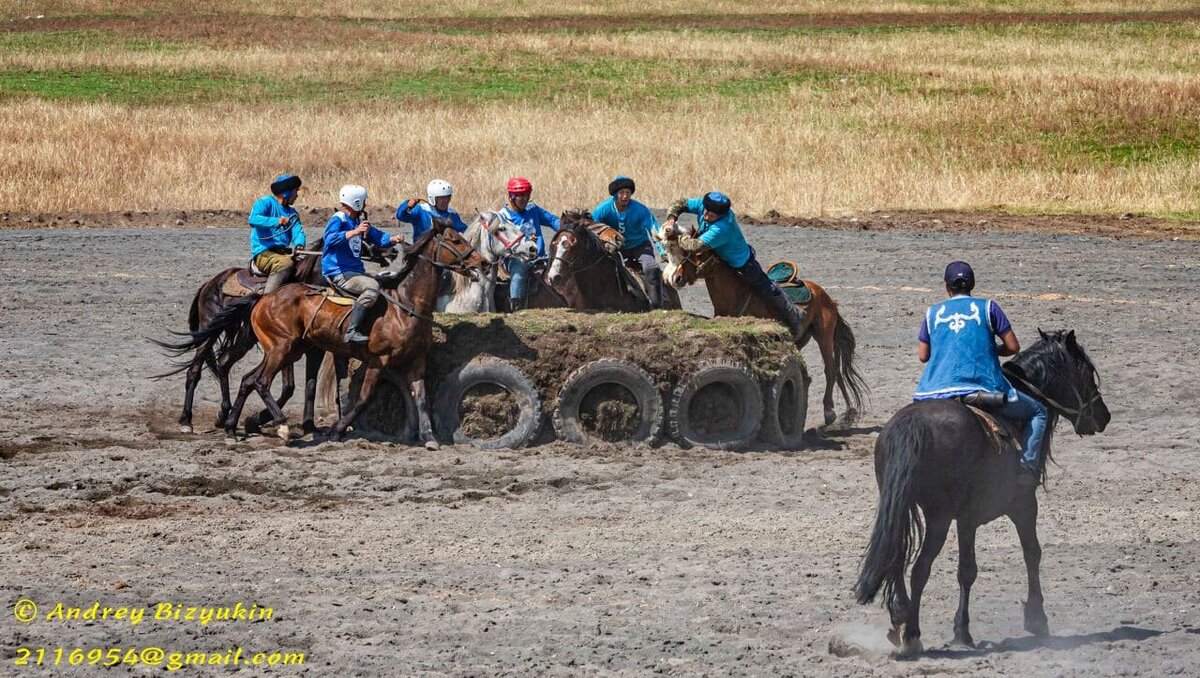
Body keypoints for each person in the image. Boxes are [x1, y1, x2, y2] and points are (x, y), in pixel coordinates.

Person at [914, 261, 1049, 487]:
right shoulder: (988, 308)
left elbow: (923, 355)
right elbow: (1013, 347)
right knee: (1039, 412)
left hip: (933, 391)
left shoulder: (932, 313)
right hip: (981, 389)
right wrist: (990, 349)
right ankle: (1027, 468)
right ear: (973, 285)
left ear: (946, 287)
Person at [663, 191, 805, 337]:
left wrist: (678, 237)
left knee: (766, 287)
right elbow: (680, 203)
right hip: (718, 256)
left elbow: (695, 245)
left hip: (741, 263)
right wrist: (671, 220)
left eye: (711, 216)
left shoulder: (723, 227)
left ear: (721, 216)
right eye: (705, 212)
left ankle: (794, 316)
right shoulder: (703, 205)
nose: (706, 216)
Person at [321, 185, 403, 343]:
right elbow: (329, 239)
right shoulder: (339, 219)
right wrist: (354, 232)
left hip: (355, 271)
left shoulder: (358, 221)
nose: (365, 205)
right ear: (356, 203)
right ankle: (351, 331)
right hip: (339, 272)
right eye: (364, 202)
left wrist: (392, 239)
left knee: (388, 280)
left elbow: (377, 236)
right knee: (372, 287)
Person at [591, 175, 666, 309]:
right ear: (615, 194)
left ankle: (657, 306)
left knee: (651, 267)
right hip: (614, 247)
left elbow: (654, 230)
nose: (625, 196)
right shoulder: (603, 209)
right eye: (621, 193)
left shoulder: (641, 210)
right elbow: (591, 227)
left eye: (628, 193)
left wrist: (663, 251)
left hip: (640, 246)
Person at [499, 177, 560, 311]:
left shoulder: (532, 208)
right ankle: (516, 305)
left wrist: (565, 228)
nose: (525, 199)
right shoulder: (502, 217)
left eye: (527, 195)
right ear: (511, 196)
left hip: (539, 257)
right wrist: (523, 240)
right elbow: (502, 244)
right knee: (519, 270)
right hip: (514, 259)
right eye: (521, 196)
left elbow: (552, 220)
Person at [247, 174, 306, 294]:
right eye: (295, 191)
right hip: (264, 253)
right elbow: (253, 219)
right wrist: (276, 221)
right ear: (287, 193)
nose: (297, 195)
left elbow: (298, 231)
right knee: (285, 264)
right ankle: (266, 298)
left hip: (283, 252)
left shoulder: (292, 213)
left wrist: (300, 243)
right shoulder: (265, 202)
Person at [395, 179, 469, 240]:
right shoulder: (421, 210)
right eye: (442, 198)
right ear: (433, 198)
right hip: (422, 252)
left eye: (448, 197)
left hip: (445, 253)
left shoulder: (452, 213)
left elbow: (463, 230)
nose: (446, 200)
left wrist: (461, 234)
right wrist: (406, 205)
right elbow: (400, 216)